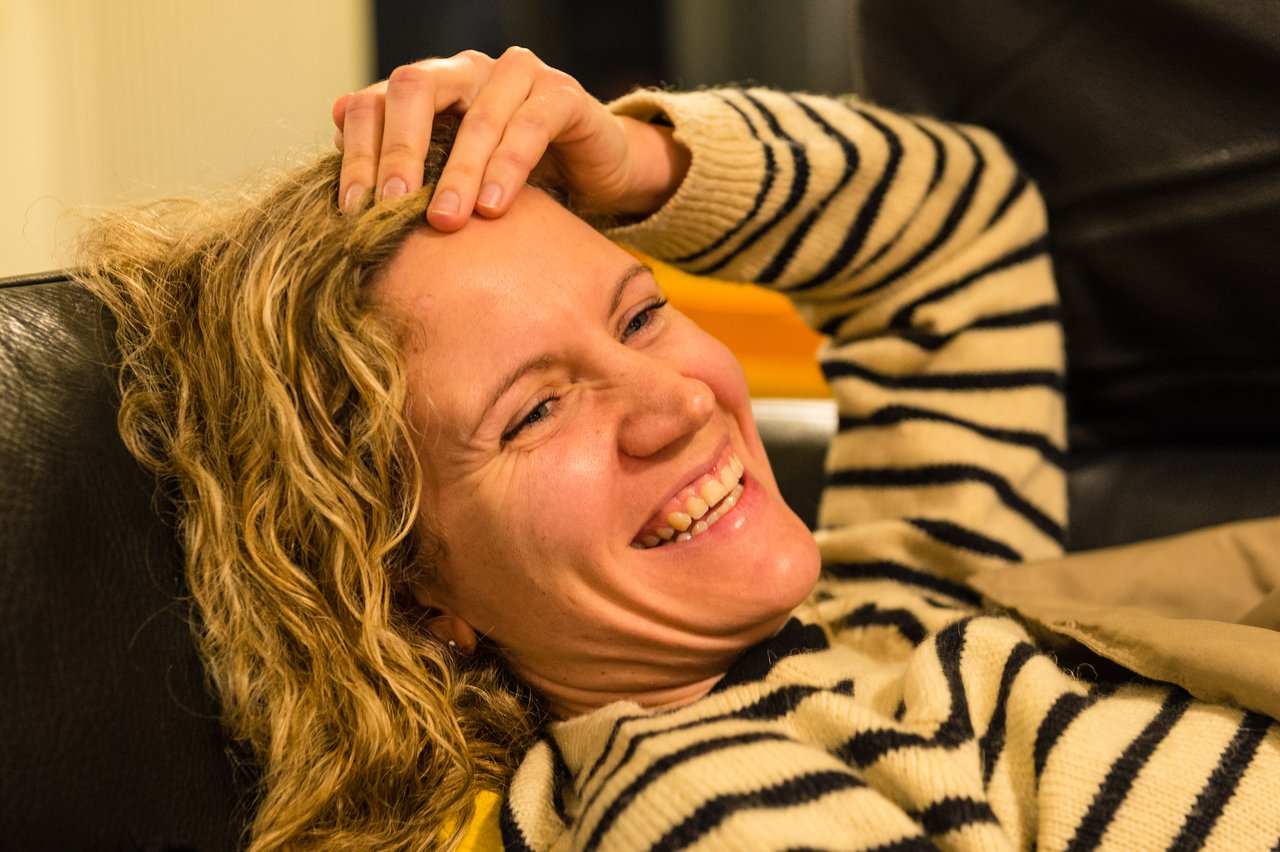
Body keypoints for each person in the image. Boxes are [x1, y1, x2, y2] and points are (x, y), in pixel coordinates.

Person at [78, 47, 1279, 851]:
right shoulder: (694, 795)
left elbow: (958, 225)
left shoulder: (892, 611)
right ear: (410, 589)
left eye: (640, 312)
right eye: (533, 411)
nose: (670, 401)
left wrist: (631, 157)